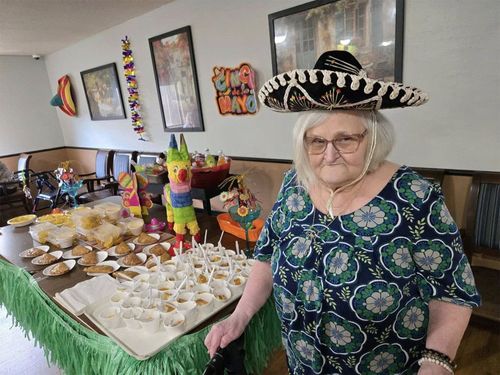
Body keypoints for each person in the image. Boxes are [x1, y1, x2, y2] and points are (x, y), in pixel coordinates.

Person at [205, 50, 480, 374]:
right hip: (303, 365)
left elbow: (452, 293)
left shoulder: (415, 196)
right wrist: (240, 314)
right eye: (316, 141)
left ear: (372, 135)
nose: (329, 154)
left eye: (345, 139)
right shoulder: (295, 183)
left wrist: (437, 363)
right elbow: (267, 256)